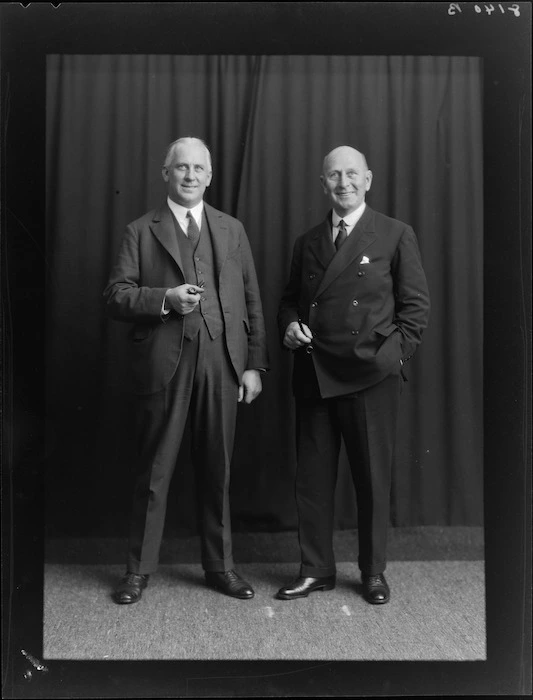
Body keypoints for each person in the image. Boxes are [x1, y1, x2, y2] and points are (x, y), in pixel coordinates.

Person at [104, 137, 269, 604]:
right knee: (155, 471)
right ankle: (138, 570)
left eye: (199, 168)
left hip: (223, 361)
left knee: (218, 468)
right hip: (164, 363)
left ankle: (220, 567)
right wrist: (163, 300)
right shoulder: (141, 230)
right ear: (166, 174)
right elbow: (115, 295)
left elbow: (251, 299)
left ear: (210, 176)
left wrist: (254, 365)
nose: (190, 175)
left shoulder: (232, 229)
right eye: (181, 168)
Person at [276, 145, 430, 604]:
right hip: (315, 372)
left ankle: (373, 571)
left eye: (351, 175)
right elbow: (288, 298)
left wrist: (386, 360)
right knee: (313, 480)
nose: (342, 183)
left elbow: (416, 310)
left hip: (369, 376)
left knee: (371, 478)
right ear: (323, 183)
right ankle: (316, 569)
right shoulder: (308, 242)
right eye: (333, 176)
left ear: (368, 180)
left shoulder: (395, 234)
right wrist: (287, 325)